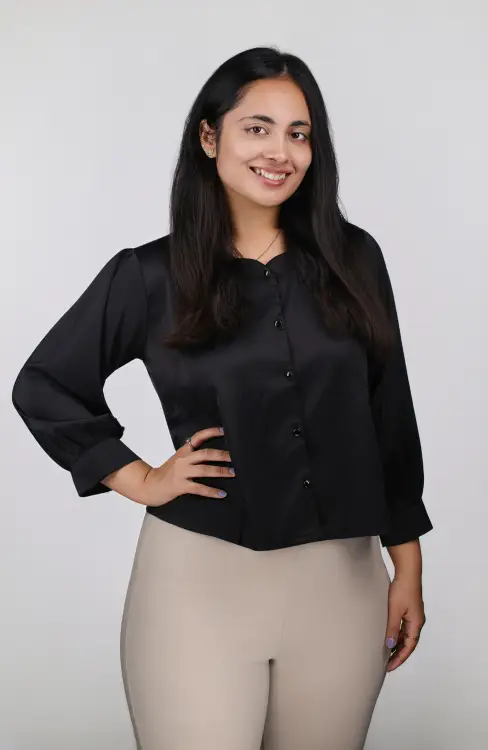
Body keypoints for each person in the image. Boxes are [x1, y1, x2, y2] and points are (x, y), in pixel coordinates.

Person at [11, 46, 433, 750]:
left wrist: (408, 566)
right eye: (257, 128)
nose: (280, 152)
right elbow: (46, 384)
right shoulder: (150, 275)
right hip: (198, 585)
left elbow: (390, 414)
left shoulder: (354, 259)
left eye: (298, 133)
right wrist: (138, 477)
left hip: (343, 587)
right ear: (210, 138)